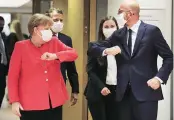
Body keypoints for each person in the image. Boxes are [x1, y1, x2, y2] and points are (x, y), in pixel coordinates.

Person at [87, 0, 173, 120]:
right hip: (123, 95)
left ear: (130, 13)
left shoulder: (152, 31)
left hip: (146, 92)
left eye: (120, 12)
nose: (118, 15)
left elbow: (169, 57)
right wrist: (106, 51)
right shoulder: (118, 34)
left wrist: (159, 78)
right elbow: (92, 49)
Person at [7, 13, 78, 120]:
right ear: (35, 30)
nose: (50, 31)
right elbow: (13, 76)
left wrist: (56, 56)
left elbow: (73, 54)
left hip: (54, 100)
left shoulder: (54, 41)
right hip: (30, 102)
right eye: (46, 28)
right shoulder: (21, 47)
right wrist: (14, 101)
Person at [45, 7, 79, 119]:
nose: (59, 23)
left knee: (56, 115)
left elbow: (71, 66)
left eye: (61, 20)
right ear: (47, 20)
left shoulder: (66, 39)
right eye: (55, 20)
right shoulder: (39, 37)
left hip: (59, 85)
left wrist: (75, 89)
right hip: (42, 84)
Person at [84, 16, 119, 120]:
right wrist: (101, 87)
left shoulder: (121, 47)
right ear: (101, 29)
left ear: (117, 28)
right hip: (97, 90)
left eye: (112, 26)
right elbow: (90, 70)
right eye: (106, 26)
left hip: (116, 92)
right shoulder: (94, 46)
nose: (109, 29)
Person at [0, 16, 8, 108]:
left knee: (1, 91)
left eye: (2, 25)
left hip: (2, 68)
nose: (1, 27)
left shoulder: (3, 36)